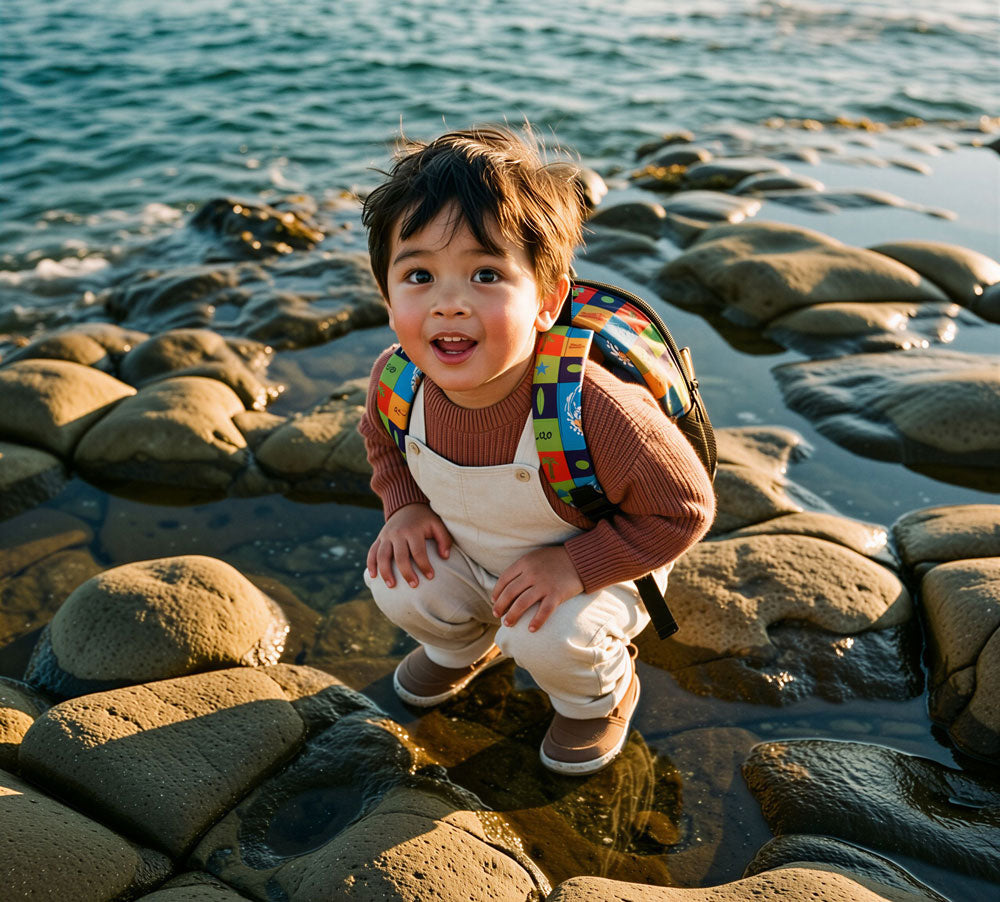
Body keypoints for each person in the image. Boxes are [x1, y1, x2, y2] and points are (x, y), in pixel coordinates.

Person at [358, 125, 715, 775]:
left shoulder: (588, 406)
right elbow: (381, 443)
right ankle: (462, 642)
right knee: (397, 578)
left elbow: (684, 509)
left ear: (547, 300)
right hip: (480, 551)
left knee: (549, 635)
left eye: (485, 273)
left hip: (601, 561)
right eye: (418, 275)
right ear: (386, 294)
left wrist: (575, 567)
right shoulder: (398, 379)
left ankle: (598, 695)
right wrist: (404, 506)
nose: (448, 304)